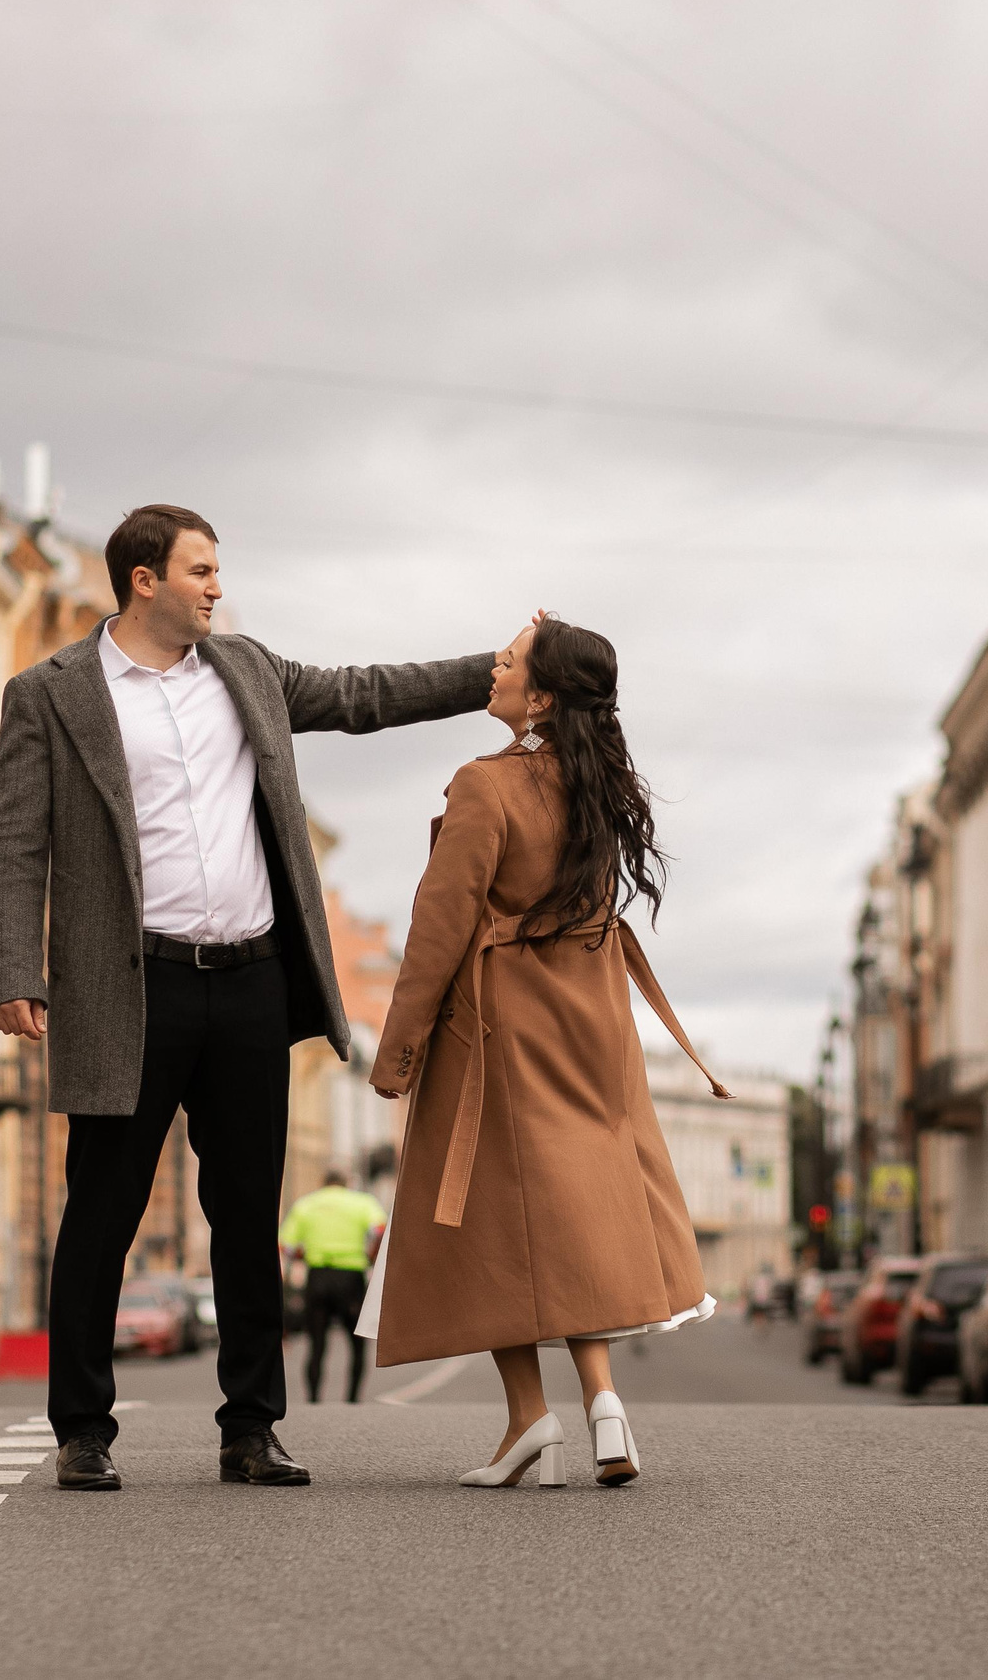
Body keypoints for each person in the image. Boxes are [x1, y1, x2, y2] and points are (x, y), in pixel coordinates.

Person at [0, 503, 497, 1493]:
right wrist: (13, 971)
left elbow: (365, 694)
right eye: (202, 571)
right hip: (129, 989)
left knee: (248, 1215)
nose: (218, 587)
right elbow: (12, 843)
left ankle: (250, 1428)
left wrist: (491, 672)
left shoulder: (246, 671)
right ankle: (83, 1428)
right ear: (144, 580)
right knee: (102, 1214)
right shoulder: (51, 695)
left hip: (252, 981)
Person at [359, 617, 728, 1490]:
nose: (494, 669)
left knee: (491, 1223)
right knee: (573, 1210)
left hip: (500, 1027)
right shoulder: (598, 783)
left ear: (542, 695)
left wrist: (399, 1049)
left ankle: (533, 1417)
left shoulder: (486, 787)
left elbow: (440, 926)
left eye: (510, 661)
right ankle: (598, 1402)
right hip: (594, 1019)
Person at [279, 1170, 387, 1404]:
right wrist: (371, 1254)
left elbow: (285, 1244)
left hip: (318, 1277)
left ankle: (314, 1398)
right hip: (351, 1278)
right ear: (346, 1184)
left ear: (324, 1184)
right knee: (357, 1343)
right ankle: (352, 1399)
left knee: (316, 1343)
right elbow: (380, 1229)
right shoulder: (362, 1202)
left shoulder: (305, 1204)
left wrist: (303, 1255)